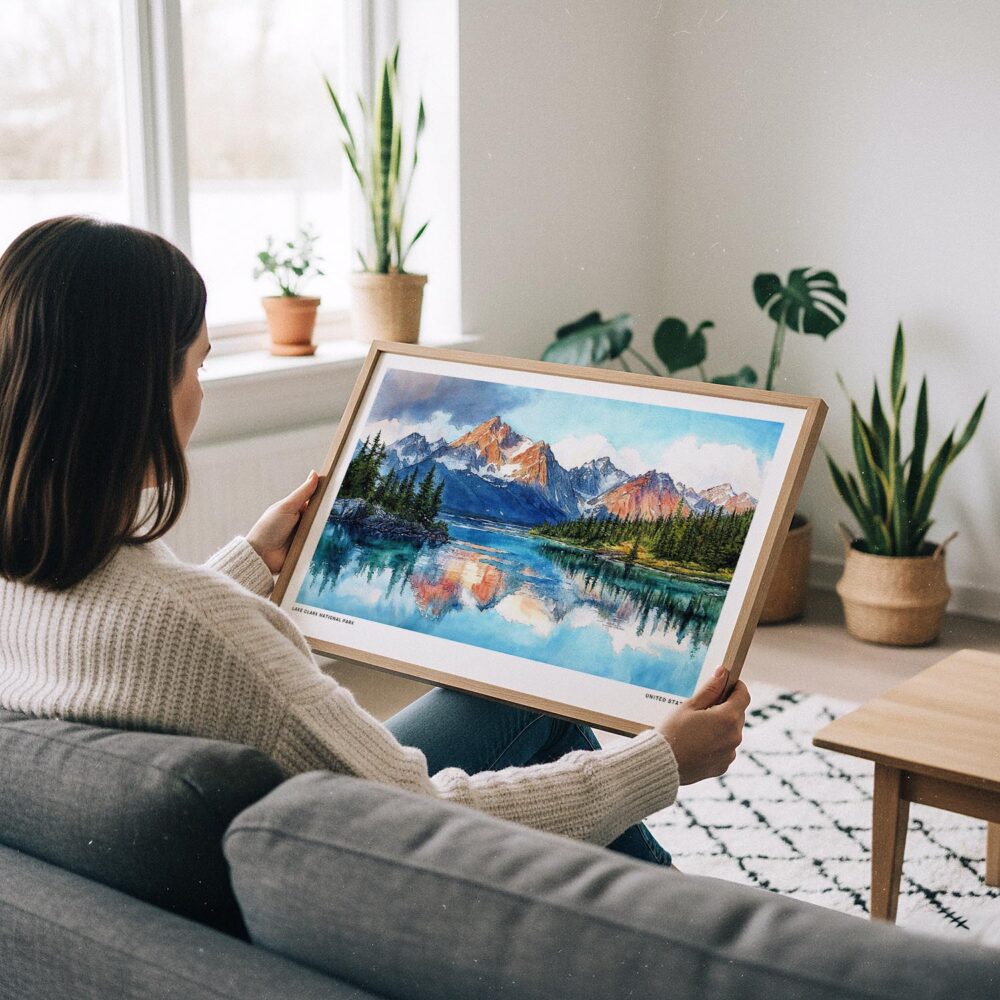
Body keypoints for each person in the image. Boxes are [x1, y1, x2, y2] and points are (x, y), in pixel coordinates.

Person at [0, 216, 749, 867]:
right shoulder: (207, 632)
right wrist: (660, 761)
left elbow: (139, 637)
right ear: (135, 394)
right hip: (360, 864)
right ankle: (697, 936)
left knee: (506, 703)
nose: (203, 391)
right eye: (198, 365)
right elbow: (420, 817)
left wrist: (250, 564)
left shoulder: (28, 582)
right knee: (548, 724)